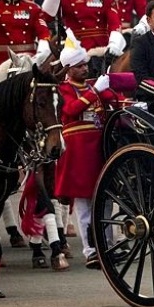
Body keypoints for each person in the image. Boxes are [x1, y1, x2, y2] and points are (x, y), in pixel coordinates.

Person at [55, 31, 121, 271]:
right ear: (69, 69)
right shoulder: (63, 89)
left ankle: (108, 245)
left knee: (104, 201)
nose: (85, 69)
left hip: (99, 147)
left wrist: (109, 87)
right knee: (85, 205)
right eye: (80, 66)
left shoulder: (93, 85)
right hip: (78, 150)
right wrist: (95, 91)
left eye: (85, 65)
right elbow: (70, 110)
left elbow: (112, 98)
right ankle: (91, 250)